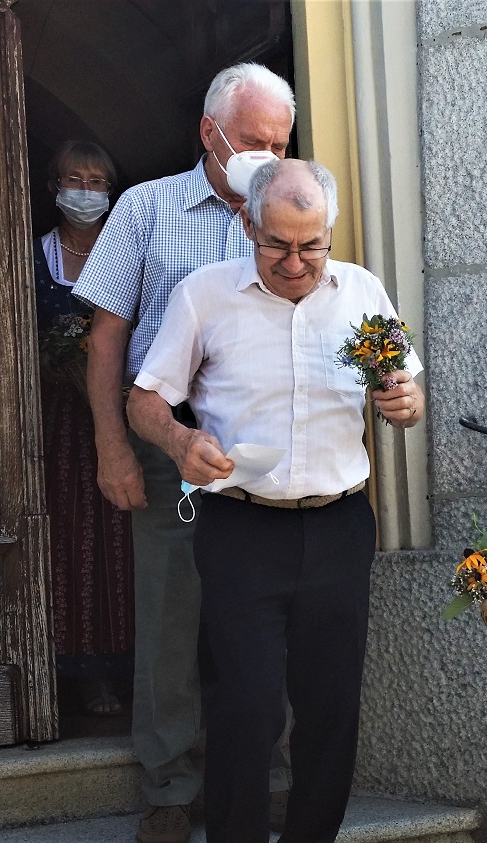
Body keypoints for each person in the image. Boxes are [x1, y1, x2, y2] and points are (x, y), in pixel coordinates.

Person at [129, 158, 424, 842]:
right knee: (250, 703)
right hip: (241, 526)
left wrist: (405, 402)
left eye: (312, 245)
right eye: (277, 244)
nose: (296, 262)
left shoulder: (361, 294)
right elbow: (144, 400)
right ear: (246, 222)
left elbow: (402, 394)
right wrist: (178, 441)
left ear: (330, 232)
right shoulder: (205, 295)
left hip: (340, 524)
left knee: (331, 704)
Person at [70, 63, 295, 843]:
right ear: (211, 132)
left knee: (260, 617)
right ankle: (168, 784)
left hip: (268, 444)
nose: (268, 154)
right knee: (172, 611)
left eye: (280, 140)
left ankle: (256, 777)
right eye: (254, 139)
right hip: (168, 436)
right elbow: (106, 336)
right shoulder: (146, 208)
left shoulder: (295, 209)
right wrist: (113, 447)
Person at [34, 140, 134, 719]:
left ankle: (126, 669)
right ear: (54, 186)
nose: (87, 191)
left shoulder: (128, 248)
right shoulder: (34, 255)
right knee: (69, 538)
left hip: (125, 414)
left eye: (98, 182)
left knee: (122, 540)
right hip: (60, 427)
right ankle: (74, 670)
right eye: (76, 179)